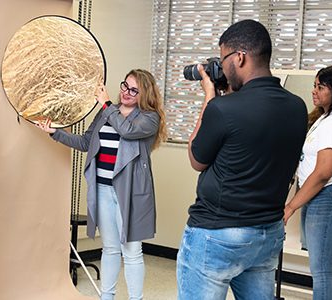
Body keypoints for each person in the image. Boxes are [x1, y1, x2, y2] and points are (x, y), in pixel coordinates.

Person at [177, 19, 308, 300]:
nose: (222, 67)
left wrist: (210, 97)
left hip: (218, 234)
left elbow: (196, 159)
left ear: (239, 57)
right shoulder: (298, 107)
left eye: (223, 58)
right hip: (267, 234)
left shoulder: (223, 109)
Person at [36, 69, 167, 300]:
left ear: (144, 93)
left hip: (131, 193)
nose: (126, 92)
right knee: (110, 248)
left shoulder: (149, 118)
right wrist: (55, 133)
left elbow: (126, 130)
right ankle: (106, 296)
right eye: (125, 86)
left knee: (132, 252)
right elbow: (86, 142)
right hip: (104, 190)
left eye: (133, 90)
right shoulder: (108, 111)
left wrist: (106, 105)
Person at [283, 65, 332, 300]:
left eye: (320, 87)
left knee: (322, 271)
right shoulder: (323, 118)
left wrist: (291, 206)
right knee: (325, 268)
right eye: (314, 86)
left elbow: (323, 173)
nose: (314, 91)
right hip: (324, 195)